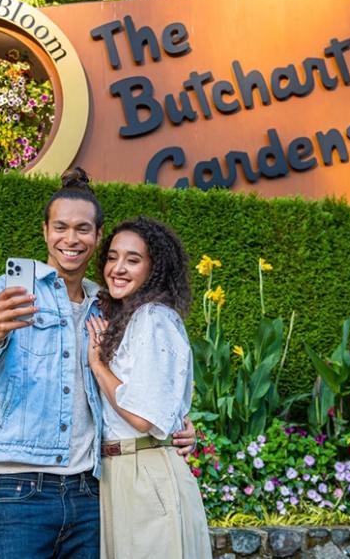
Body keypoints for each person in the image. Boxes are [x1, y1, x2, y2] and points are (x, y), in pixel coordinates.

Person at [0, 169, 196, 559]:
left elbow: (145, 375)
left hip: (90, 492)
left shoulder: (108, 305)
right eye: (60, 227)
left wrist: (175, 423)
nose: (71, 239)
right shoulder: (6, 290)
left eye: (83, 229)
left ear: (97, 237)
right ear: (46, 231)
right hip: (20, 491)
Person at [87, 216, 212, 559]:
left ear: (154, 268)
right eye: (112, 257)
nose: (118, 268)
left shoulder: (153, 318)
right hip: (123, 472)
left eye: (133, 259)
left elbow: (142, 417)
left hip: (144, 472)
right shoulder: (125, 316)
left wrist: (97, 365)